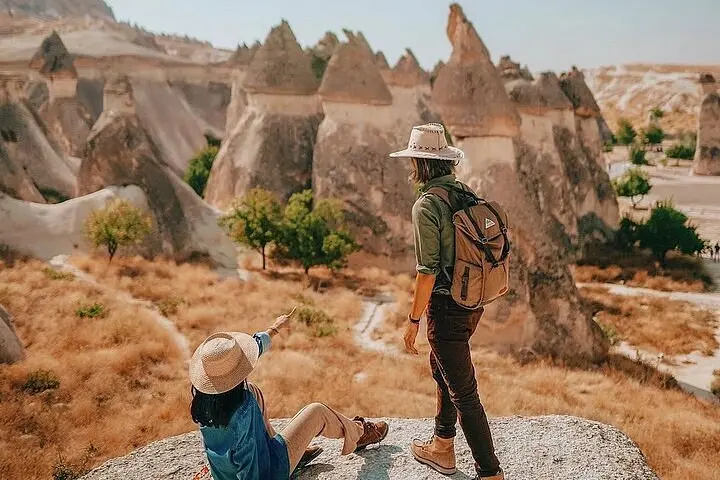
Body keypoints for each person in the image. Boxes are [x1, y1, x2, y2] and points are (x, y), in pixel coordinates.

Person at [389, 123, 504, 480]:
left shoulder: (426, 205)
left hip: (446, 307)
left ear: (419, 165)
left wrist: (413, 320)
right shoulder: (464, 194)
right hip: (474, 302)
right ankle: (442, 445)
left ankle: (490, 472)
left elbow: (427, 272)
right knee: (443, 369)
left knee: (464, 392)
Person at [189, 308, 389, 480]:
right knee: (317, 411)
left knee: (253, 390)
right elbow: (250, 470)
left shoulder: (204, 400)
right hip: (270, 471)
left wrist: (275, 328)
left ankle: (293, 450)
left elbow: (255, 346)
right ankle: (359, 434)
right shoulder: (243, 412)